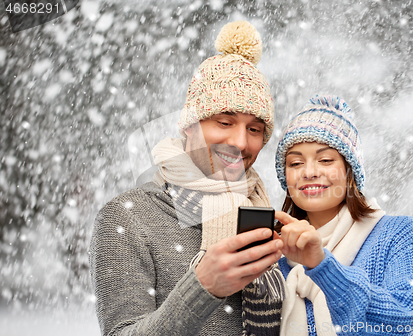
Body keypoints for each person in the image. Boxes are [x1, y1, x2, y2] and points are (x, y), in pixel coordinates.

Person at [89, 21, 285, 336]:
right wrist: (202, 287)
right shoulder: (127, 217)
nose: (240, 142)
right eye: (224, 122)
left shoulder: (260, 215)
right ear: (188, 126)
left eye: (254, 129)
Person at [273, 96, 413, 335]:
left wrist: (322, 266)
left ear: (350, 172)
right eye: (295, 163)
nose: (309, 172)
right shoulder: (275, 252)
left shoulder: (399, 234)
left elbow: (403, 321)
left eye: (325, 160)